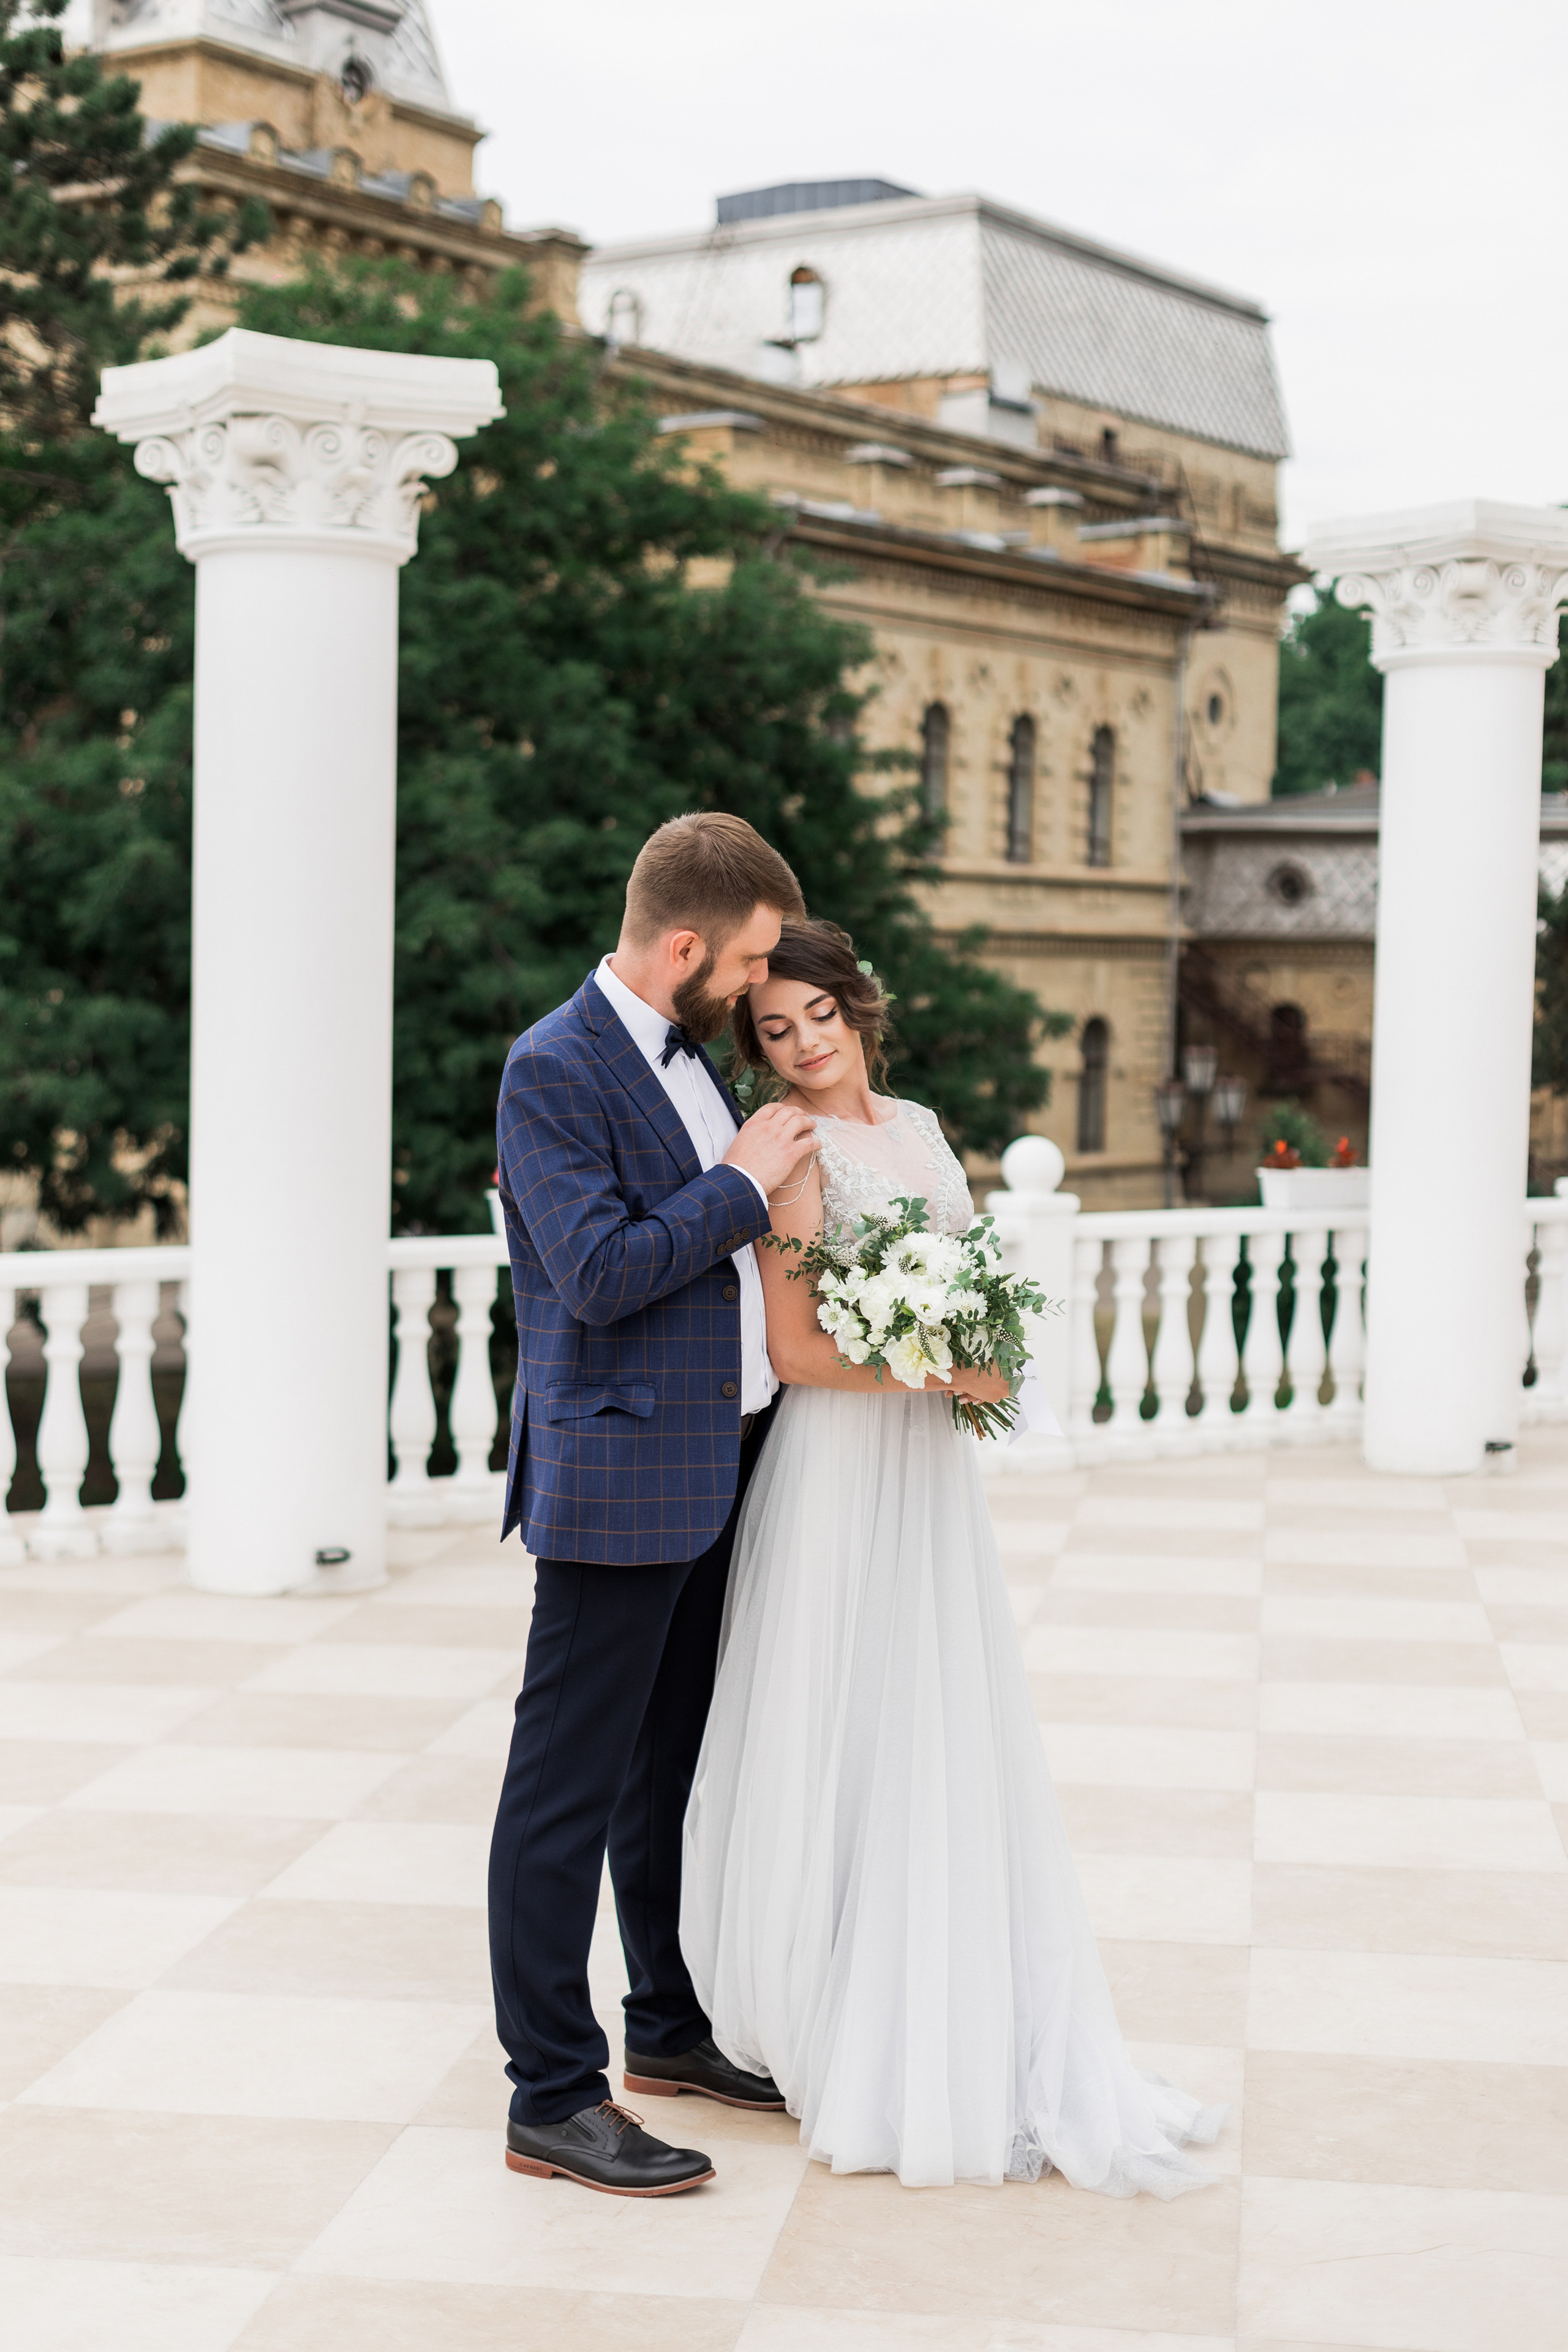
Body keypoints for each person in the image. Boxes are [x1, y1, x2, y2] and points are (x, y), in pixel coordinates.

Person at [680, 918, 1226, 2195]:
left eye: (819, 1014)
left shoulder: (917, 1130)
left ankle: (942, 1984)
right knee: (837, 1709)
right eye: (775, 1029)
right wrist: (932, 1361)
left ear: (857, 1011)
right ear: (758, 1051)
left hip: (924, 1470)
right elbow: (805, 1348)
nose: (805, 1042)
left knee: (931, 1710)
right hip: (834, 1463)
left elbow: (972, 1276)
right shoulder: (789, 1154)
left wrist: (973, 1352)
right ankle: (824, 2003)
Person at [489, 813, 818, 2198]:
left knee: (664, 1774)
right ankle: (550, 2098)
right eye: (744, 962)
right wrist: (743, 1181)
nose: (754, 989)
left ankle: (665, 2031)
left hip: (725, 1460)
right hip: (619, 1474)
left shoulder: (690, 1053)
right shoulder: (551, 1068)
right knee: (562, 1793)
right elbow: (606, 1272)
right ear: (682, 945)